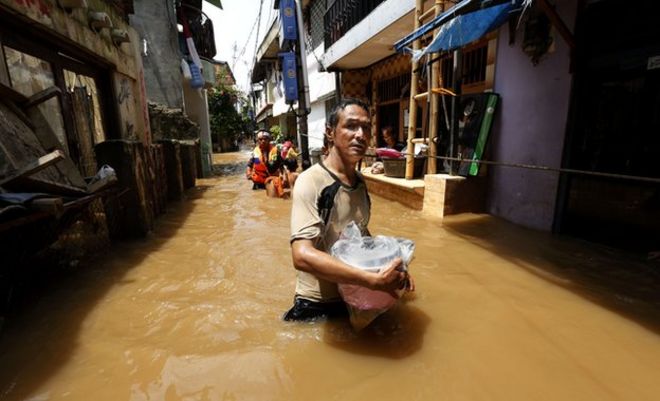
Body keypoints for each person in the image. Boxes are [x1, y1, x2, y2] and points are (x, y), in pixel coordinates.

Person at [283, 98, 414, 322]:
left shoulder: (360, 182)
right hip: (317, 306)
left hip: (356, 298)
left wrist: (393, 267)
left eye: (365, 128)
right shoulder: (310, 182)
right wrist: (370, 280)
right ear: (330, 132)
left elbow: (361, 236)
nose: (360, 135)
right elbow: (301, 256)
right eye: (351, 126)